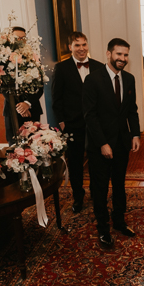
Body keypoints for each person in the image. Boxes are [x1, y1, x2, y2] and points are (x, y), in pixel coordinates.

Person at [83, 38, 141, 249]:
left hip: (122, 143)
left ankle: (119, 222)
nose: (122, 59)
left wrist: (135, 134)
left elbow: (131, 109)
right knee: (99, 189)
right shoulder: (93, 80)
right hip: (100, 146)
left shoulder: (130, 78)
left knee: (119, 185)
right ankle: (103, 230)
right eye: (119, 54)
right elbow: (90, 116)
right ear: (108, 54)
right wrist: (102, 144)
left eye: (125, 55)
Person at [51, 31, 104, 213]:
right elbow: (56, 100)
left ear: (87, 45)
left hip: (95, 125)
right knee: (75, 165)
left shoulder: (99, 67)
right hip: (73, 125)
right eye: (77, 45)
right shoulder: (61, 68)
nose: (81, 49)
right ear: (70, 47)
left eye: (84, 44)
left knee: (97, 162)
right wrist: (62, 123)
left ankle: (98, 193)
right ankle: (78, 197)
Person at [3, 27, 43, 143]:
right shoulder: (4, 60)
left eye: (23, 38)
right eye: (17, 38)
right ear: (10, 39)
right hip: (12, 110)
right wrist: (21, 107)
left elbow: (40, 87)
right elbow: (4, 88)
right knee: (15, 145)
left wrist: (27, 103)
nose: (20, 41)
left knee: (34, 145)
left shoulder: (33, 59)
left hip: (32, 108)